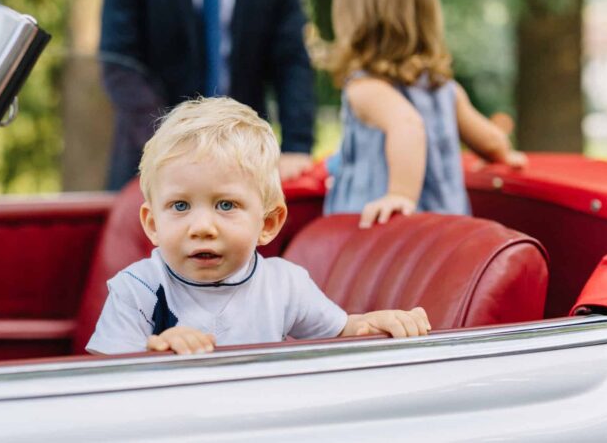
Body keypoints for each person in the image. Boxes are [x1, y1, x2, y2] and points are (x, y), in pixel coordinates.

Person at [86, 97, 430, 355]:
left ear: (267, 223)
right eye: (180, 206)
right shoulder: (137, 289)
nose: (202, 227)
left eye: (226, 205)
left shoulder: (284, 285)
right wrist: (154, 352)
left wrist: (376, 323)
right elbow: (103, 378)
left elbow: (341, 331)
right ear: (152, 224)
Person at [99, 0, 314, 191]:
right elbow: (120, 63)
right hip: (150, 166)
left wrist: (297, 145)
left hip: (244, 166)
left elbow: (291, 60)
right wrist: (176, 146)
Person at [320, 0, 526, 229]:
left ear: (354, 21)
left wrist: (400, 195)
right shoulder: (445, 90)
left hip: (379, 234)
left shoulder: (365, 89)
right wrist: (505, 154)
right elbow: (490, 141)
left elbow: (408, 124)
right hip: (448, 230)